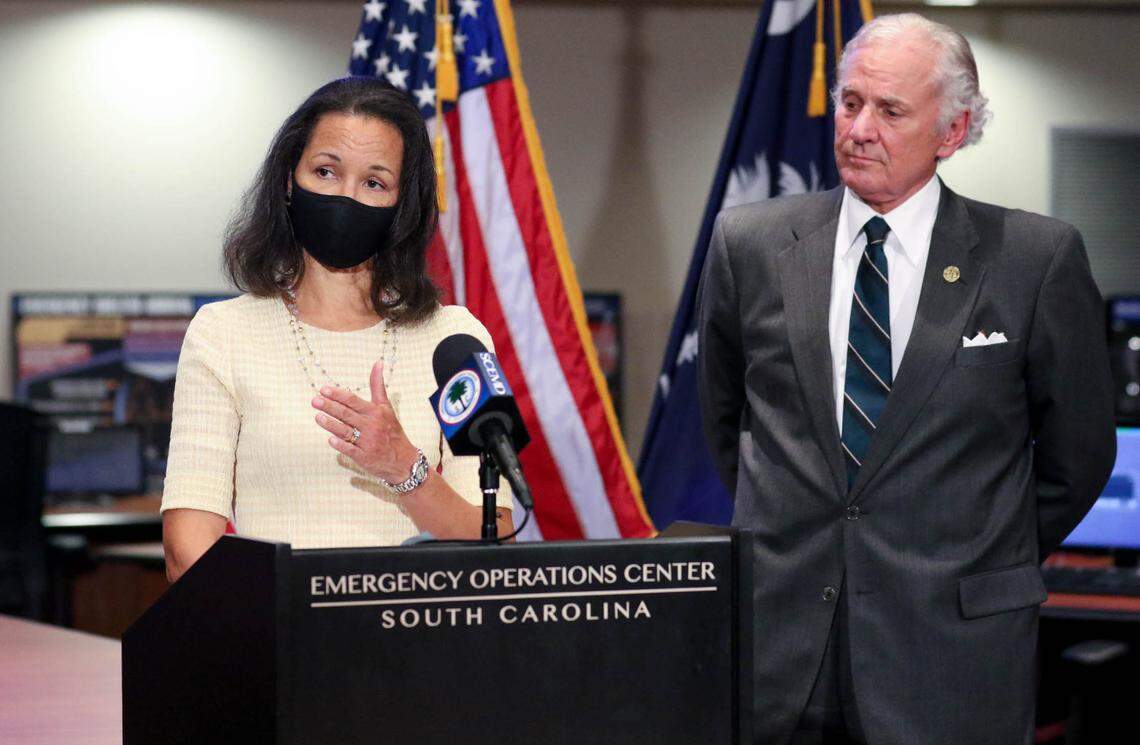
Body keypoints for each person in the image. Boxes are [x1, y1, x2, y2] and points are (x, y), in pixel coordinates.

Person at [697, 14, 1116, 745]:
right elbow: (728, 422)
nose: (859, 128)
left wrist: (976, 545)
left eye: (890, 111)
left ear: (951, 132)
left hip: (952, 655)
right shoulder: (751, 245)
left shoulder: (1034, 260)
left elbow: (1078, 454)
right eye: (851, 101)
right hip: (781, 652)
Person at [162, 78, 513, 583]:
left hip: (423, 640)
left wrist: (403, 467)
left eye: (374, 182)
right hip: (280, 639)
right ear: (289, 180)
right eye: (326, 172)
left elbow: (495, 537)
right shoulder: (223, 333)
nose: (345, 198)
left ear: (402, 204)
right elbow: (187, 547)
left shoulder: (455, 340)